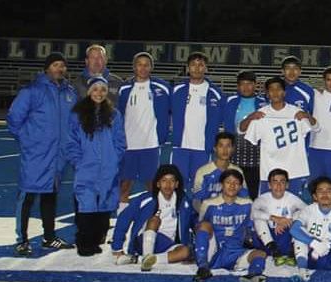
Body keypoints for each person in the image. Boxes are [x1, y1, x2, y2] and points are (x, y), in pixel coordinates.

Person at [7, 52, 78, 256]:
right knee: (27, 195)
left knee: (50, 196)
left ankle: (49, 237)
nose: (60, 69)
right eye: (56, 65)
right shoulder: (32, 91)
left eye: (62, 66)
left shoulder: (70, 93)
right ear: (47, 68)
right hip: (37, 153)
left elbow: (73, 123)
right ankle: (22, 239)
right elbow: (14, 119)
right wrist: (28, 140)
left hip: (58, 155)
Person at [66, 77, 126, 256]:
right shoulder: (77, 114)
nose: (99, 93)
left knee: (105, 205)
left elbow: (120, 141)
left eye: (103, 90)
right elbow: (71, 142)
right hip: (87, 168)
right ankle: (84, 242)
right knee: (87, 204)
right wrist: (78, 161)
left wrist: (114, 159)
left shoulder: (114, 114)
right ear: (89, 91)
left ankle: (97, 238)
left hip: (108, 168)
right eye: (95, 89)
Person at [241, 77, 318, 197]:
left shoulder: (297, 112)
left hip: (295, 170)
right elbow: (242, 130)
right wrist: (251, 117)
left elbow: (316, 128)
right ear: (267, 94)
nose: (275, 92)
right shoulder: (261, 115)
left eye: (278, 89)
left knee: (295, 208)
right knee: (268, 208)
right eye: (271, 90)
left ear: (284, 92)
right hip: (270, 171)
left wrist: (307, 116)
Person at [192, 169, 268, 282]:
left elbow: (253, 227)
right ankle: (203, 268)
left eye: (236, 183)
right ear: (221, 184)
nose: (232, 186)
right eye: (228, 182)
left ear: (240, 187)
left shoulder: (247, 204)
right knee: (204, 225)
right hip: (214, 251)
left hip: (235, 252)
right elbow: (200, 228)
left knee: (260, 254)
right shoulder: (209, 204)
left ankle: (254, 275)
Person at [111, 165, 194, 271]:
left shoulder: (184, 201)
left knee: (185, 252)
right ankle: (147, 256)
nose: (168, 185)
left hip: (168, 243)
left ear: (177, 184)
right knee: (154, 220)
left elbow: (193, 220)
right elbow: (124, 218)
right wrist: (117, 246)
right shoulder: (145, 199)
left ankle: (138, 260)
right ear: (158, 184)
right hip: (144, 240)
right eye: (164, 180)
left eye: (172, 181)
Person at [117, 52, 170, 211]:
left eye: (146, 64)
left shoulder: (162, 87)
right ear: (134, 67)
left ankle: (154, 218)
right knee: (125, 184)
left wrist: (162, 136)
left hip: (150, 144)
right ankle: (122, 217)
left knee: (152, 184)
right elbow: (119, 114)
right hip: (129, 145)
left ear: (151, 67)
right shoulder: (124, 89)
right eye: (139, 64)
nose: (143, 67)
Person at [170, 52, 224, 189]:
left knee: (199, 185)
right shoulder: (176, 90)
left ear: (206, 68)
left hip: (203, 148)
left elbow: (223, 119)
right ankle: (178, 210)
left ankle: (197, 211)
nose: (197, 68)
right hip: (180, 146)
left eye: (201, 65)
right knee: (177, 184)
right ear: (188, 68)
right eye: (193, 65)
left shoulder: (216, 93)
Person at [290, 177, 331, 282]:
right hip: (312, 254)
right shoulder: (308, 210)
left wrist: (330, 244)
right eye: (320, 190)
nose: (325, 194)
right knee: (299, 234)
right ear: (315, 196)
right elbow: (293, 229)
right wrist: (313, 243)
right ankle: (302, 270)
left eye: (329, 190)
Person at [223, 70, 267, 197]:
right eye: (242, 84)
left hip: (257, 154)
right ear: (237, 86)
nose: (246, 87)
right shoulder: (228, 101)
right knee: (233, 186)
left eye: (249, 84)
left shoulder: (264, 103)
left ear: (255, 85)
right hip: (234, 151)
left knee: (254, 189)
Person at [251, 169, 306, 267]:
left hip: (287, 235)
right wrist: (275, 218)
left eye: (282, 182)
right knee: (258, 219)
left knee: (300, 216)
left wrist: (289, 220)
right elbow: (252, 213)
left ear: (287, 185)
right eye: (275, 182)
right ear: (269, 185)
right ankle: (275, 251)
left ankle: (293, 252)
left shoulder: (292, 198)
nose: (279, 185)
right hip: (268, 237)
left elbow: (308, 211)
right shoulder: (262, 199)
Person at [191, 132, 247, 213]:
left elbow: (244, 197)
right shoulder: (203, 172)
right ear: (215, 148)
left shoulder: (238, 171)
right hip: (209, 215)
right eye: (221, 146)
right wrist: (206, 215)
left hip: (232, 215)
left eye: (228, 146)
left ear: (233, 149)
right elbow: (196, 201)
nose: (225, 150)